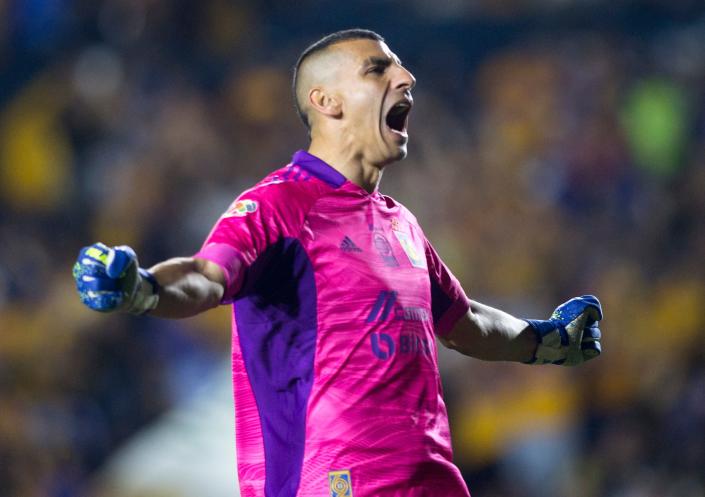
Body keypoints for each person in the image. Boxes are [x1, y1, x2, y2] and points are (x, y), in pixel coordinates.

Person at [73, 29, 603, 497]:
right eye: (378, 68)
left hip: (432, 480)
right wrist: (142, 288)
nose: (406, 76)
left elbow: (463, 322)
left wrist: (543, 341)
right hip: (331, 481)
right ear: (325, 101)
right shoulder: (280, 204)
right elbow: (205, 275)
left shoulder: (402, 225)